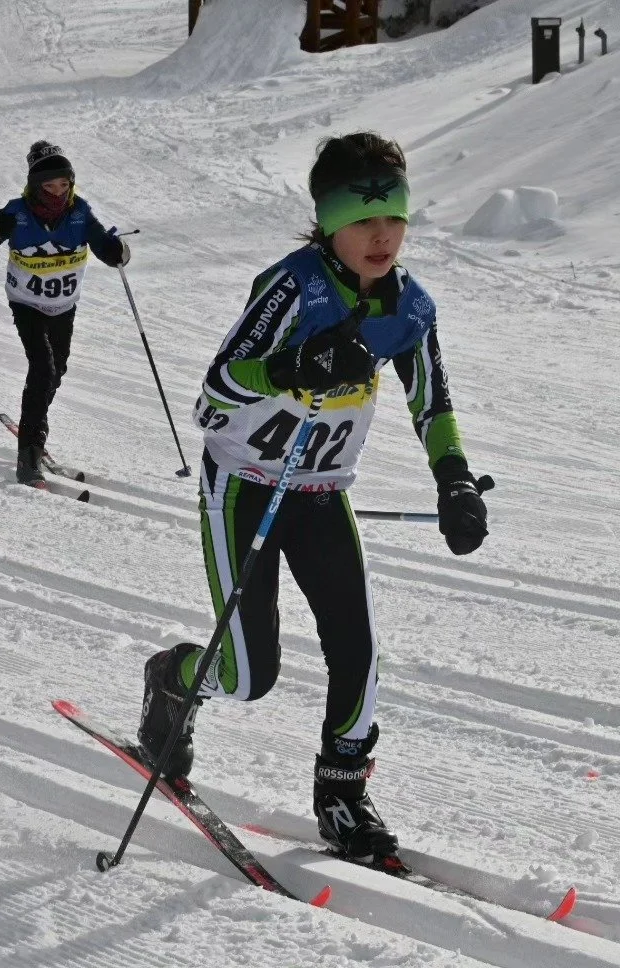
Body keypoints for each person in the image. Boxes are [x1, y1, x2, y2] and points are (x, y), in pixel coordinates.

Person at [137, 132, 490, 866]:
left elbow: (434, 403)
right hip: (244, 489)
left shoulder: (409, 306)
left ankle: (342, 791)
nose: (382, 236)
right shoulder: (294, 287)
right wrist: (297, 366)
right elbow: (215, 393)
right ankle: (173, 680)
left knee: (357, 653)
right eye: (364, 221)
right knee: (247, 677)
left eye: (394, 217)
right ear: (329, 222)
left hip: (323, 493)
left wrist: (454, 479)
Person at [0, 141, 130, 485]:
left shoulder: (80, 212)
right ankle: (30, 454)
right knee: (43, 366)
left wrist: (117, 252)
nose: (57, 192)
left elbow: (103, 246)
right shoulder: (17, 212)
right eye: (49, 186)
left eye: (64, 185)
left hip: (64, 305)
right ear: (34, 186)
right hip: (26, 303)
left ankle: (32, 420)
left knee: (57, 369)